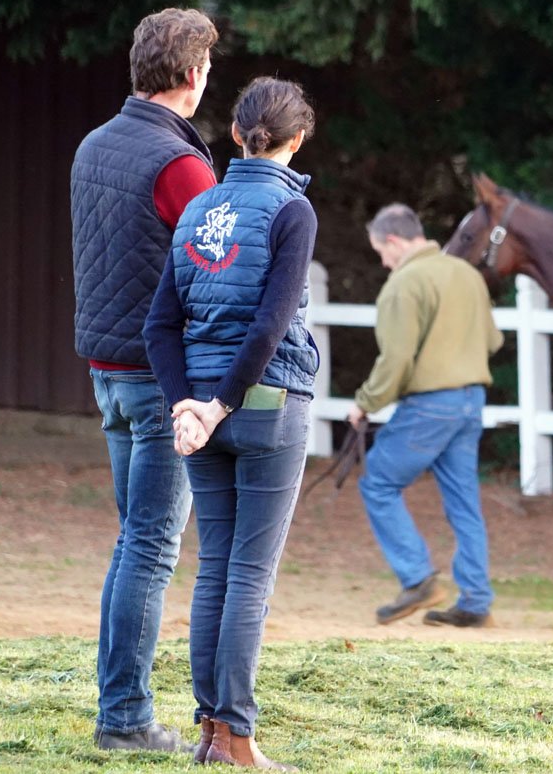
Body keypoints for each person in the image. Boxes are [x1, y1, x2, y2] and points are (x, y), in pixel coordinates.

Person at [143, 76, 319, 771]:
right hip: (267, 407)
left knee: (214, 569)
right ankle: (238, 740)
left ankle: (211, 733)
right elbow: (271, 325)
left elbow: (160, 326)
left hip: (201, 414)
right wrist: (220, 404)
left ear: (237, 134)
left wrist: (187, 404)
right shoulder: (293, 210)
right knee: (249, 575)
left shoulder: (197, 209)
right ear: (296, 140)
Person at [69, 7, 217, 753]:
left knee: (133, 543)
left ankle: (118, 705)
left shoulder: (93, 145)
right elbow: (220, 268)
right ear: (191, 74)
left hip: (108, 373)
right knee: (152, 549)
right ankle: (125, 718)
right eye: (207, 69)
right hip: (163, 382)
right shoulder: (180, 165)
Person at [350, 203, 504, 628]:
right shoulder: (467, 274)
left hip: (431, 404)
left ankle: (418, 579)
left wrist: (365, 402)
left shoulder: (405, 283)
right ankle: (476, 601)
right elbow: (493, 341)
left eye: (381, 252)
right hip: (471, 399)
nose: (384, 262)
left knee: (378, 480)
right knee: (464, 502)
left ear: (394, 241)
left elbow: (396, 358)